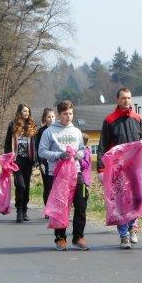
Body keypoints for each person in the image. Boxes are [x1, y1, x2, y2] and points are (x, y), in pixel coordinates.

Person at [97, 87, 142, 249]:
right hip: (118, 169)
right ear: (118, 100)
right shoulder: (110, 120)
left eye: (129, 98)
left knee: (138, 198)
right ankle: (124, 234)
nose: (127, 101)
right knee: (121, 202)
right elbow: (102, 146)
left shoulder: (137, 118)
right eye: (124, 98)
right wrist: (101, 170)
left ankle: (133, 227)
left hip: (134, 168)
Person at [38, 100, 89, 251]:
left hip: (76, 172)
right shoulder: (50, 132)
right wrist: (59, 155)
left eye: (71, 113)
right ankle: (60, 238)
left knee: (81, 204)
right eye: (65, 114)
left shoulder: (76, 131)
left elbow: (82, 149)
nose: (69, 116)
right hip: (57, 174)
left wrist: (78, 154)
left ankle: (78, 237)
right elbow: (42, 151)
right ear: (59, 115)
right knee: (61, 206)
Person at [3, 103, 37, 223]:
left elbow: (35, 144)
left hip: (28, 160)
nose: (26, 113)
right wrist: (7, 157)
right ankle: (19, 210)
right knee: (20, 185)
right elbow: (8, 142)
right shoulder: (13, 125)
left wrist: (36, 160)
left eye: (28, 111)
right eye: (24, 111)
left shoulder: (31, 125)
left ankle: (25, 210)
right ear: (19, 112)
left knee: (26, 187)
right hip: (16, 161)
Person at [34, 108, 55, 216]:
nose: (51, 119)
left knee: (56, 186)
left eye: (52, 116)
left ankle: (56, 209)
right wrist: (40, 162)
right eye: (49, 117)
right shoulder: (41, 132)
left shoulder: (58, 130)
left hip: (57, 162)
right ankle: (48, 210)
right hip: (45, 163)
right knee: (48, 186)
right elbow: (38, 148)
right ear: (44, 119)